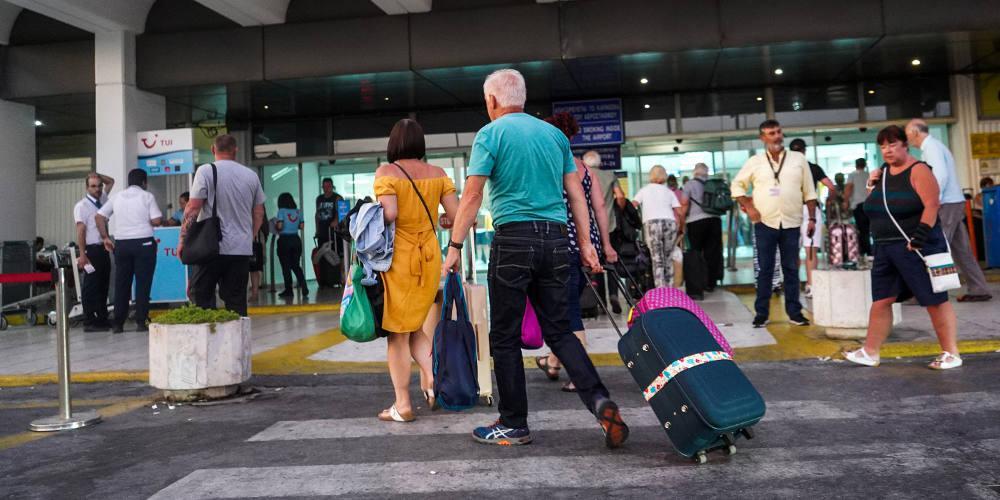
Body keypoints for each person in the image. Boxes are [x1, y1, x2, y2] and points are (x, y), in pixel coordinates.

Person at [442, 68, 628, 448]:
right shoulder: (555, 135)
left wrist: (455, 247)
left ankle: (514, 422)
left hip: (514, 241)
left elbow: (473, 196)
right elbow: (576, 194)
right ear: (521, 98)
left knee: (505, 337)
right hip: (558, 241)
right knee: (559, 330)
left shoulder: (490, 134)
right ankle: (598, 399)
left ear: (492, 101)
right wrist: (586, 244)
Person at [844, 125, 962, 370]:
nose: (887, 150)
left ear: (905, 145)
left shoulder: (919, 170)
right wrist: (870, 184)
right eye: (883, 146)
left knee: (935, 299)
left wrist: (920, 236)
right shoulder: (882, 174)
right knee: (881, 300)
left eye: (892, 145)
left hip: (916, 247)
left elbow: (932, 205)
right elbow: (874, 206)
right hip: (886, 248)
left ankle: (951, 352)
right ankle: (870, 351)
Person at [373, 118, 459, 423]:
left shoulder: (387, 173)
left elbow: (391, 213)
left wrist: (367, 218)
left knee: (397, 334)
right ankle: (435, 380)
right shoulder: (438, 174)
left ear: (394, 143)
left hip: (400, 260)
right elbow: (457, 216)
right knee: (412, 328)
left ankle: (403, 404)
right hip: (430, 258)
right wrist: (439, 223)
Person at [535, 114, 619, 393]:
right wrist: (605, 245)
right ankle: (553, 361)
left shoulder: (549, 166)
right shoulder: (585, 169)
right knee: (566, 305)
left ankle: (580, 375)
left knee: (567, 309)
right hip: (588, 244)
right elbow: (600, 210)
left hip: (559, 243)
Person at [731, 119, 817, 328]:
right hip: (765, 223)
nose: (776, 136)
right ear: (763, 138)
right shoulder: (755, 161)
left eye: (778, 132)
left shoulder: (798, 159)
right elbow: (736, 186)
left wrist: (812, 217)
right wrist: (749, 208)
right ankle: (761, 313)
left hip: (791, 222)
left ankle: (795, 313)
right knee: (765, 269)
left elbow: (809, 191)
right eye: (771, 133)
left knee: (791, 268)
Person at [178, 134, 266, 317]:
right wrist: (249, 236)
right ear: (236, 150)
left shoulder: (205, 171)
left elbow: (193, 207)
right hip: (240, 250)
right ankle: (236, 344)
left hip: (211, 248)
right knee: (236, 301)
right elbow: (259, 213)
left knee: (201, 297)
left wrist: (183, 240)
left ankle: (208, 341)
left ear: (213, 150)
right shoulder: (251, 175)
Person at [906, 119, 991, 302]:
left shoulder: (932, 148)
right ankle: (979, 288)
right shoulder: (935, 146)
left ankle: (924, 292)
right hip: (953, 201)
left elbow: (940, 175)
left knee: (932, 246)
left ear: (915, 132)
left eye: (907, 134)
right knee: (961, 250)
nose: (907, 139)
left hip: (946, 203)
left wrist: (932, 201)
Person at [95, 169, 161, 333]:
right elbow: (157, 220)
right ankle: (140, 322)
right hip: (144, 244)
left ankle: (118, 323)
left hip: (122, 245)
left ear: (129, 181)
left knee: (122, 284)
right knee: (143, 284)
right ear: (144, 182)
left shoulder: (117, 196)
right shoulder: (147, 197)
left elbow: (99, 217)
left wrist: (105, 237)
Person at [788, 139, 838, 298]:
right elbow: (831, 186)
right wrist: (830, 200)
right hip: (811, 212)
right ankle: (811, 286)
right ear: (804, 151)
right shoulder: (814, 168)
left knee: (791, 251)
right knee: (810, 251)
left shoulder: (786, 169)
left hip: (792, 210)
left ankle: (793, 286)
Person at [73, 172, 115, 332]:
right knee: (91, 286)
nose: (97, 189)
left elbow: (111, 181)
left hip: (103, 248)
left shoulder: (103, 200)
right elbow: (81, 230)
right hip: (90, 249)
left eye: (99, 186)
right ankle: (89, 320)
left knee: (103, 284)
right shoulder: (82, 206)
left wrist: (98, 175)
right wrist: (83, 254)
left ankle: (102, 318)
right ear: (86, 187)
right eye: (93, 186)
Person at [633, 165, 684, 289]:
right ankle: (670, 290)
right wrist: (681, 228)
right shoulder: (669, 192)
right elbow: (680, 212)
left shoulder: (644, 190)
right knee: (668, 258)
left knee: (657, 260)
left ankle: (661, 292)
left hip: (652, 224)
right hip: (669, 224)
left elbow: (633, 204)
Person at [587, 150, 624, 313]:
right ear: (600, 163)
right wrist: (619, 209)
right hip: (610, 224)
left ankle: (601, 302)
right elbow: (620, 196)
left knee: (597, 264)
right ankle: (614, 294)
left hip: (589, 226)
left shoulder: (581, 175)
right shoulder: (610, 175)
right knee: (611, 261)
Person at [683, 163, 724, 292]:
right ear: (706, 173)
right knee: (712, 252)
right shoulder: (715, 184)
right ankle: (711, 283)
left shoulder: (689, 184)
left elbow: (684, 203)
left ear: (695, 172)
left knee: (695, 253)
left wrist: (682, 221)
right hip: (715, 220)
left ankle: (698, 284)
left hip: (695, 222)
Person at [275, 193, 308, 298]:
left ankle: (288, 290)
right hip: (296, 240)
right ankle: (304, 286)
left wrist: (276, 226)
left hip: (284, 240)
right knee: (295, 265)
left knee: (286, 267)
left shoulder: (281, 211)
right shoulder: (298, 211)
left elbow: (280, 226)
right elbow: (301, 226)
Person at [315, 178, 344, 279]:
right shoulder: (319, 199)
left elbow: (341, 212)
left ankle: (336, 277)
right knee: (323, 256)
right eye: (325, 186)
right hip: (322, 232)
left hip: (333, 233)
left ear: (332, 187)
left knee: (335, 255)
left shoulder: (337, 198)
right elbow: (317, 215)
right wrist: (317, 229)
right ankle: (324, 280)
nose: (327, 189)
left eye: (329, 186)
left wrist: (336, 221)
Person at [844, 158, 872, 256]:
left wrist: (846, 201)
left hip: (858, 205)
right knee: (868, 229)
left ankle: (864, 250)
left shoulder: (852, 175)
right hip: (869, 205)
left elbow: (849, 188)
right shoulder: (869, 175)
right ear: (864, 165)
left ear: (856, 165)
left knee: (861, 229)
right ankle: (869, 249)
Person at [249, 207, 268, 302]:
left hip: (254, 241)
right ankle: (254, 294)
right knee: (254, 270)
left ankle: (254, 294)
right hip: (256, 241)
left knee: (253, 269)